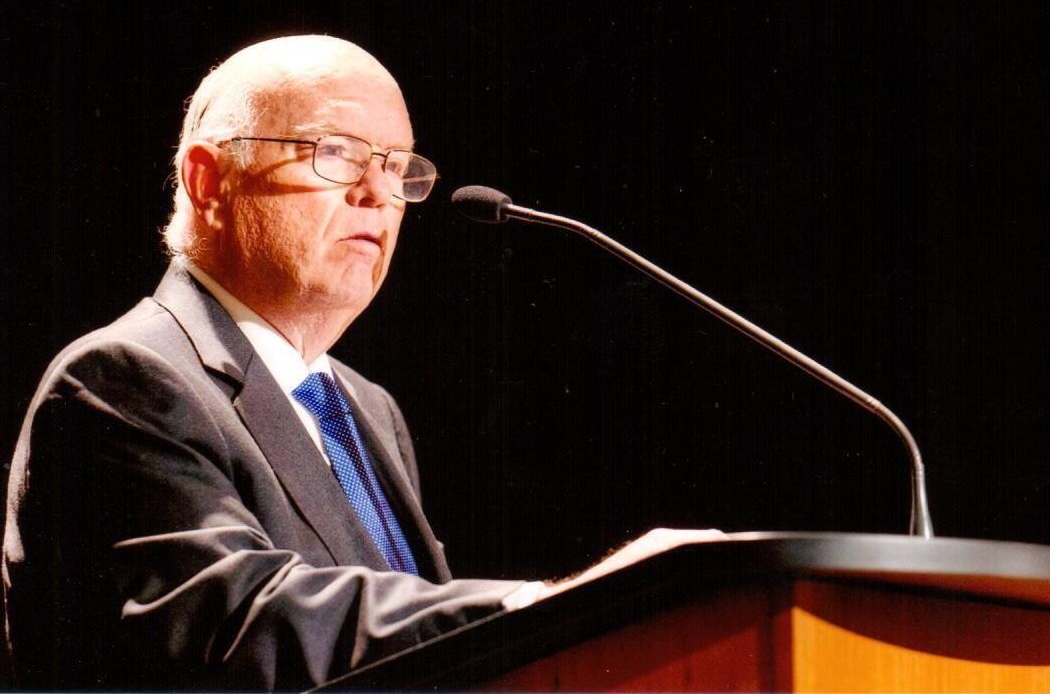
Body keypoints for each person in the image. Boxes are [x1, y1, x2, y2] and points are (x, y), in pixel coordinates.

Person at [3, 35, 719, 690]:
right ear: (208, 181)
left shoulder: (363, 407)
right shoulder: (125, 378)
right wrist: (549, 609)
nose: (379, 192)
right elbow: (242, 622)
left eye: (398, 165)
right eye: (335, 152)